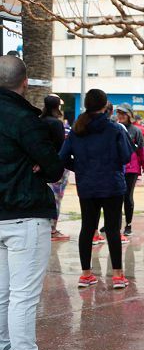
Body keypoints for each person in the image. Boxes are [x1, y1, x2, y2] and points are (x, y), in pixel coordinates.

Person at [0, 56, 71, 350]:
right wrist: (40, 165)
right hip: (24, 213)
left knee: (2, 293)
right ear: (25, 82)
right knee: (23, 295)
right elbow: (55, 169)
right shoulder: (24, 119)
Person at [61, 89, 132, 290]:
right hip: (112, 185)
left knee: (87, 227)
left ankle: (86, 275)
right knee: (112, 229)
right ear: (104, 105)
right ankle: (118, 275)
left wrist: (82, 168)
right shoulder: (115, 129)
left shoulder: (77, 129)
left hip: (87, 185)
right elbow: (126, 156)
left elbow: (63, 157)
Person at [115, 104, 144, 237]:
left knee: (127, 197)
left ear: (129, 115)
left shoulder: (136, 131)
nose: (121, 116)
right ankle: (114, 224)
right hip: (117, 168)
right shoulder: (115, 128)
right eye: (119, 113)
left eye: (123, 113)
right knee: (116, 197)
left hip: (132, 169)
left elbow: (142, 150)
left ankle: (128, 224)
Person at [41, 95, 71, 241]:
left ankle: (44, 228)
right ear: (57, 107)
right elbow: (61, 147)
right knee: (56, 199)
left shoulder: (39, 121)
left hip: (40, 167)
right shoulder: (56, 124)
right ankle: (52, 230)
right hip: (56, 168)